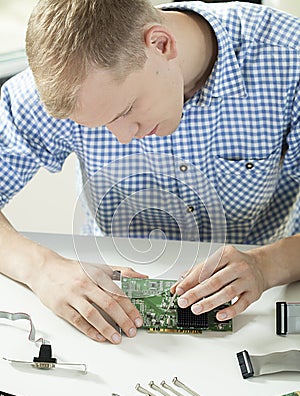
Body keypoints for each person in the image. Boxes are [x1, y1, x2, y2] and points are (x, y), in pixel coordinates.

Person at [0, 0, 299, 344]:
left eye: (126, 110)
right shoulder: (66, 82)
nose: (123, 137)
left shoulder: (288, 60)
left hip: (255, 312)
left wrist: (267, 265)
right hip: (108, 303)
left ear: (161, 45)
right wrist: (41, 268)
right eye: (102, 125)